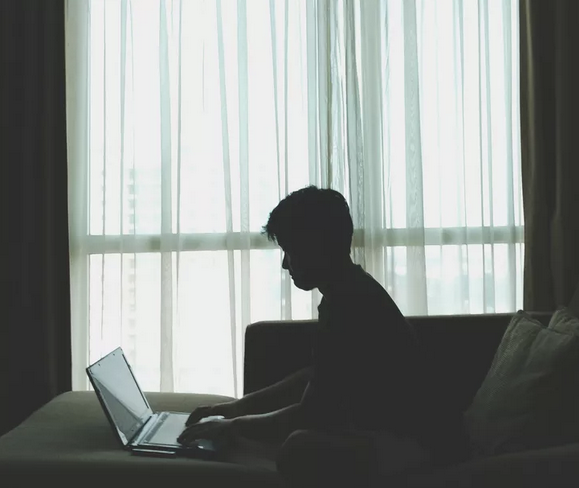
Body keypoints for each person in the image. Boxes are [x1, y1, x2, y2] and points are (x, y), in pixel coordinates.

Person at [178, 186, 467, 484]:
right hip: (401, 434)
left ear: (316, 246)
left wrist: (234, 426)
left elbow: (312, 413)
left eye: (290, 250)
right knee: (270, 439)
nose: (285, 264)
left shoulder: (350, 305)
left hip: (421, 446)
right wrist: (235, 408)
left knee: (297, 448)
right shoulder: (348, 290)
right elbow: (315, 377)